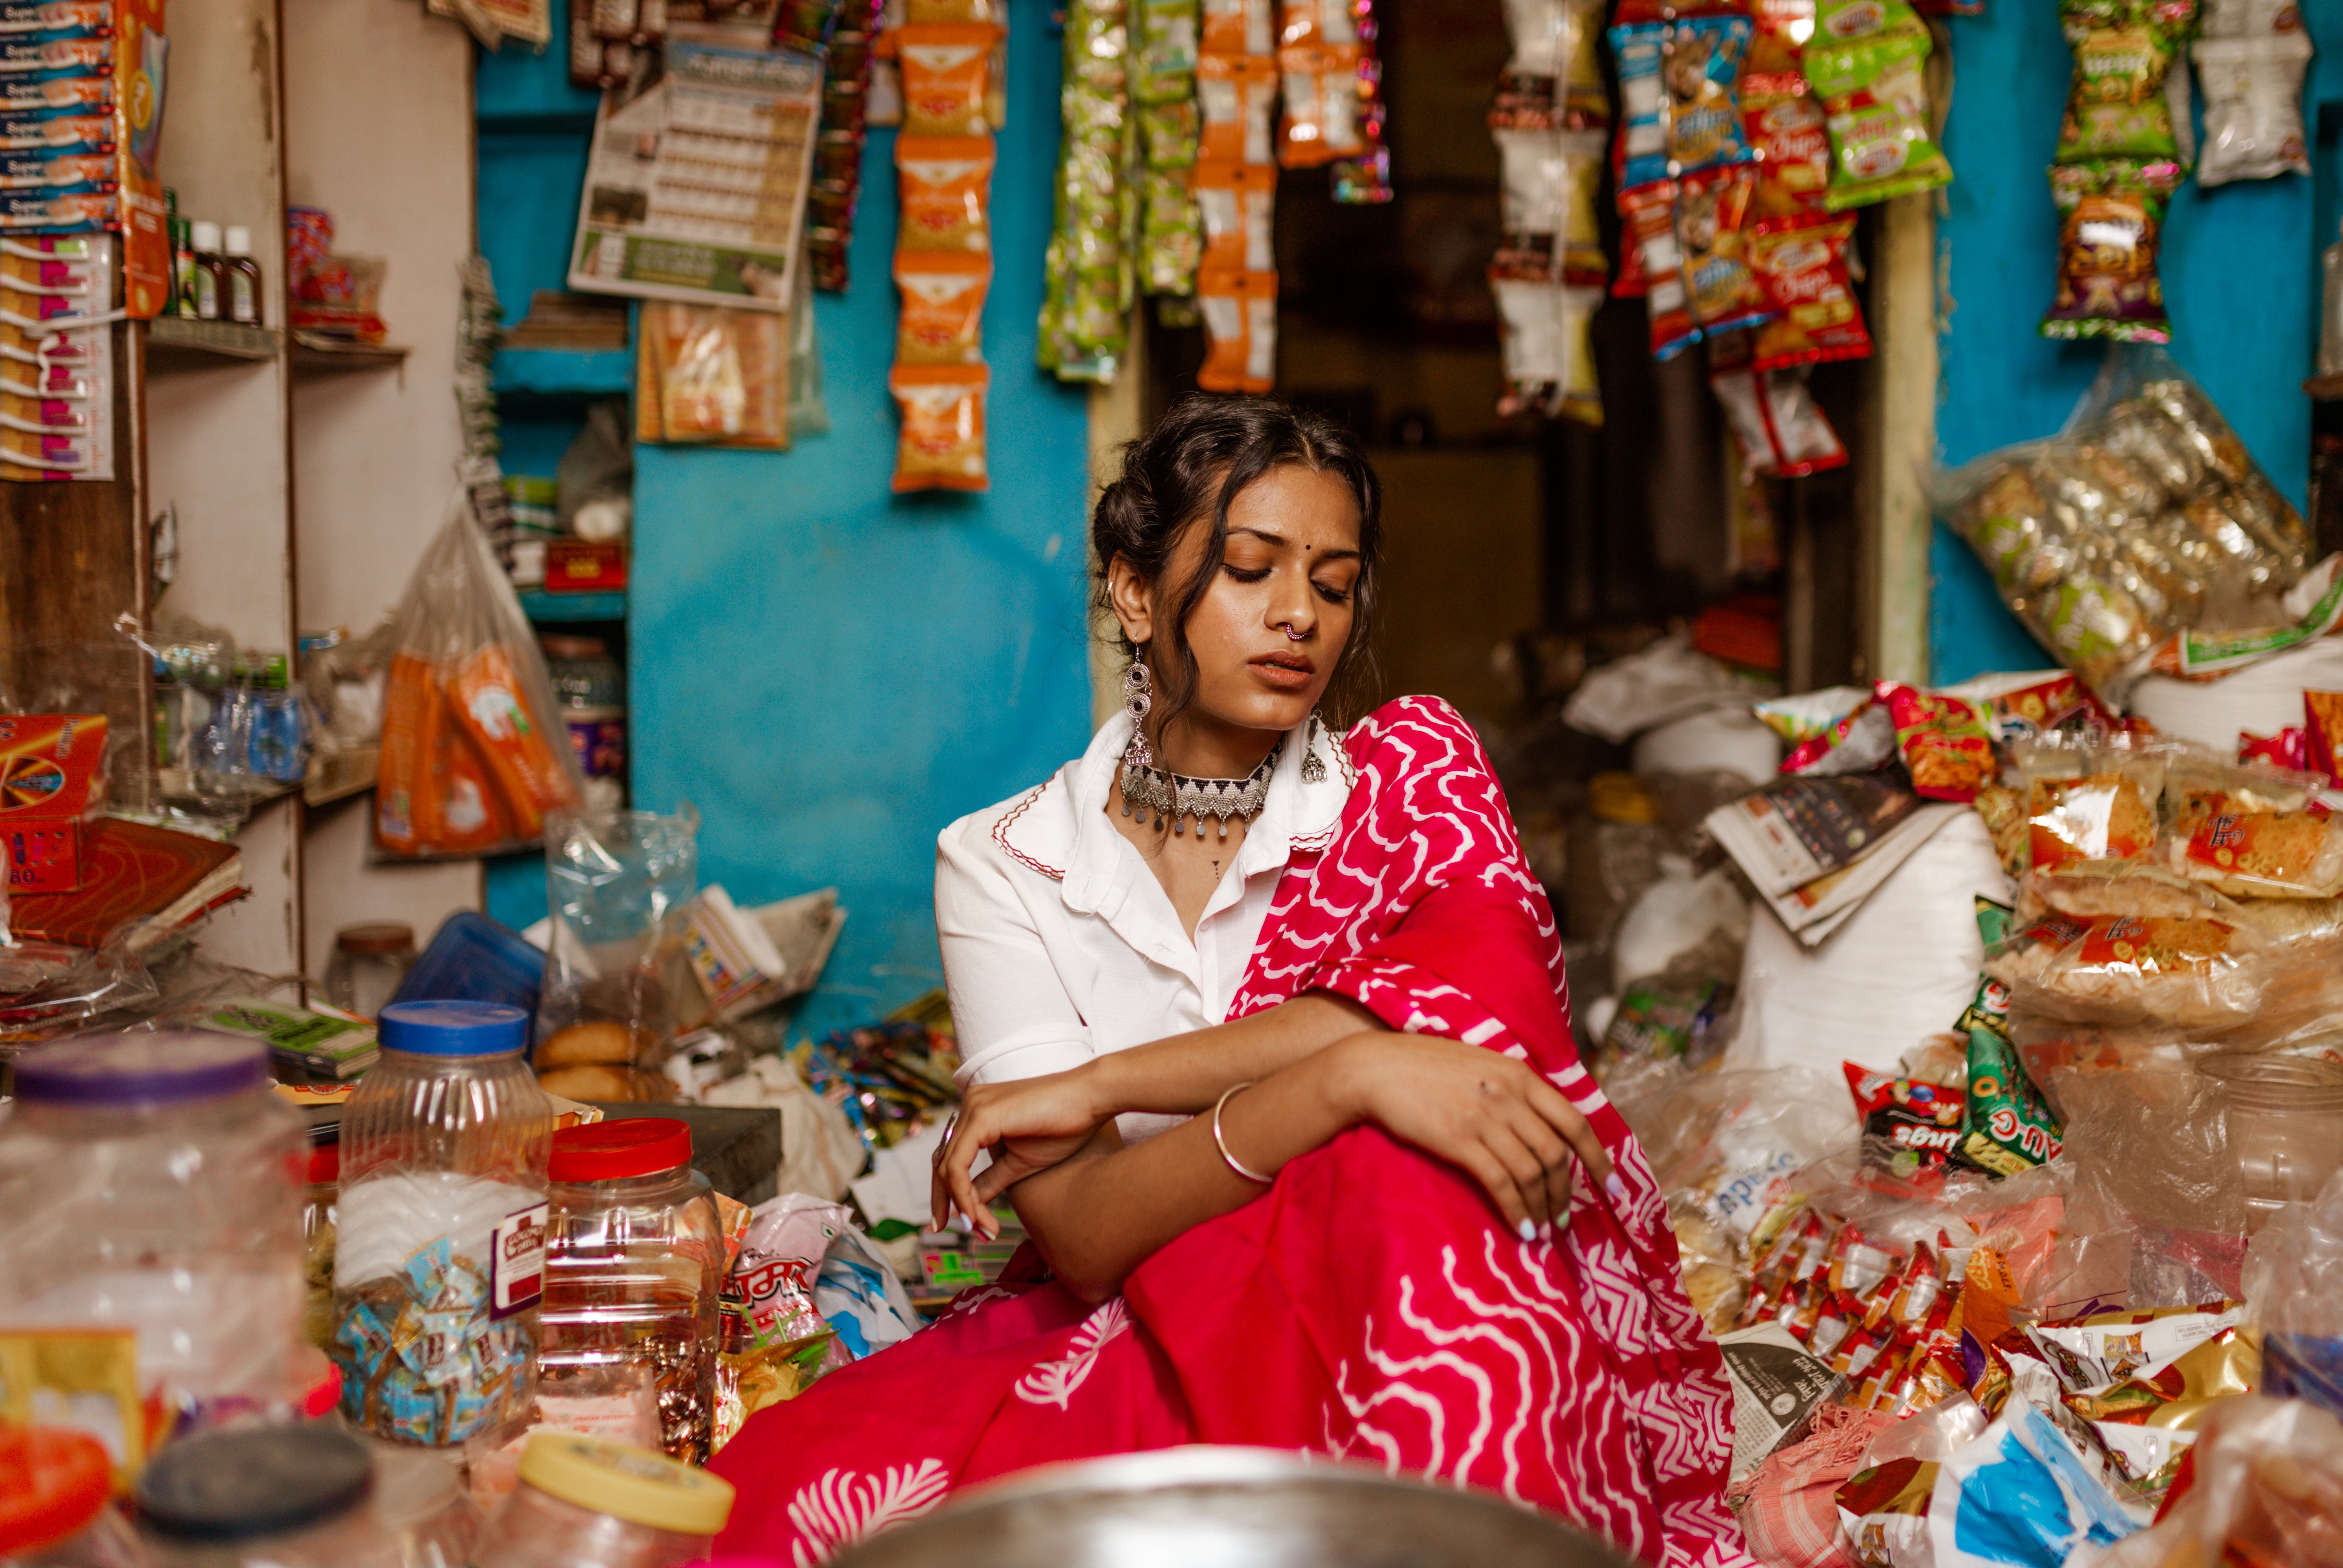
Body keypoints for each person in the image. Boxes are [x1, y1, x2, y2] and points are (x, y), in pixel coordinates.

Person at [709, 397, 1746, 1568]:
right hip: (1126, 1324)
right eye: (1251, 570)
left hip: (1408, 1302)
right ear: (1137, 593)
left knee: (1410, 1168)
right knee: (767, 1507)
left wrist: (1115, 1085)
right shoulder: (1004, 860)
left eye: (1337, 584)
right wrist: (1349, 1074)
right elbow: (1091, 1236)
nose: (1300, 614)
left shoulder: (1413, 790)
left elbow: (1472, 1030)